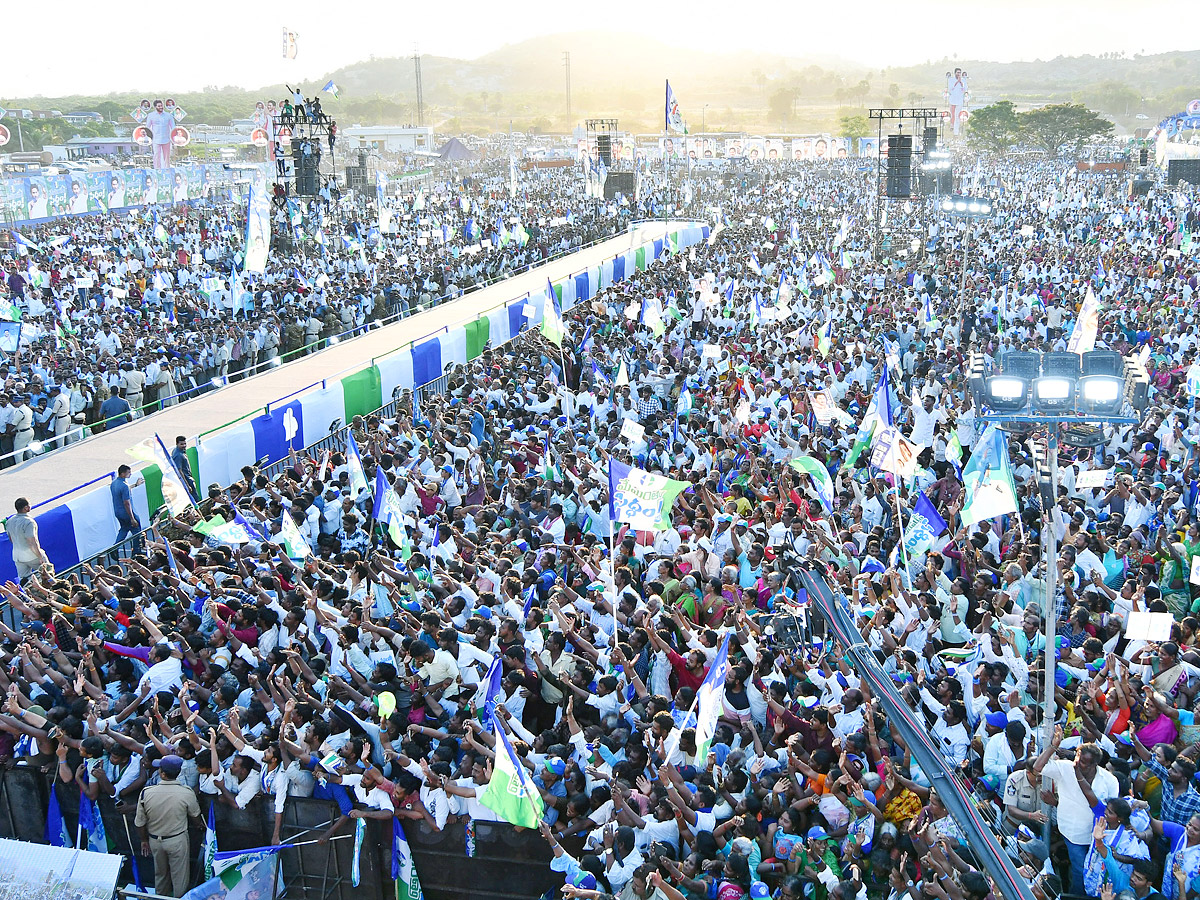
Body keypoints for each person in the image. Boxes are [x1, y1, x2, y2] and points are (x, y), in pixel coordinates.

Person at [135, 754, 202, 897]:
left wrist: (143, 840)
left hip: (155, 841)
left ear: (162, 773)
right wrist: (200, 826)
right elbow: (196, 817)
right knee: (180, 878)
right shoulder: (187, 793)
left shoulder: (146, 793)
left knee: (160, 876)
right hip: (177, 840)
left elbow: (140, 822)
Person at [7, 497, 46, 581]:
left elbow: (11, 539)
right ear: (26, 508)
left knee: (24, 581)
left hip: (17, 556)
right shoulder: (29, 522)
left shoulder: (9, 521)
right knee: (47, 574)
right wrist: (40, 557)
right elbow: (32, 542)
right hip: (31, 555)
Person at [111, 463, 141, 544]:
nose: (130, 474)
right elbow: (126, 503)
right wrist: (132, 518)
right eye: (129, 473)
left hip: (118, 512)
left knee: (124, 529)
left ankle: (114, 548)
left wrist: (135, 485)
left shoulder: (114, 483)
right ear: (123, 473)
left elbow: (122, 492)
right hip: (126, 513)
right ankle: (137, 551)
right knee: (136, 531)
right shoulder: (124, 486)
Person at [146, 99, 175, 170]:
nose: (161, 107)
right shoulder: (151, 115)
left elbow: (173, 127)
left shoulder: (169, 115)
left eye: (161, 106)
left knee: (167, 156)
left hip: (166, 139)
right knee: (156, 156)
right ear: (155, 107)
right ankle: (157, 170)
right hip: (156, 139)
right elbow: (147, 128)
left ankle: (167, 170)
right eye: (159, 106)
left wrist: (174, 139)